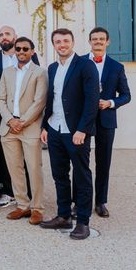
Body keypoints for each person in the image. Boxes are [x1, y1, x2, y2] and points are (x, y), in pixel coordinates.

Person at [40, 28, 99, 240]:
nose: (62, 44)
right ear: (53, 44)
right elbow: (52, 98)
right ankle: (63, 215)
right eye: (58, 41)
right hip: (55, 129)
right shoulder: (53, 67)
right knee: (60, 175)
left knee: (82, 176)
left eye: (66, 40)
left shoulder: (85, 65)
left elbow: (92, 101)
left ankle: (83, 222)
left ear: (72, 42)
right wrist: (45, 126)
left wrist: (82, 129)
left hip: (76, 132)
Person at [0, 25, 40, 208]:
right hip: (1, 116)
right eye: (0, 35)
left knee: (29, 160)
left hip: (27, 117)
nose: (3, 37)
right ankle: (8, 191)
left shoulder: (29, 57)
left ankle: (30, 196)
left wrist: (25, 119)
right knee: (5, 157)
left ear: (15, 36)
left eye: (7, 34)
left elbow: (37, 88)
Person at [0, 37, 48, 225]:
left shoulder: (40, 72)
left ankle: (37, 208)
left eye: (25, 48)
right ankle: (22, 205)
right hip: (9, 128)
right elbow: (0, 98)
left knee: (34, 169)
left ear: (32, 51)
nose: (21, 51)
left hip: (30, 127)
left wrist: (22, 122)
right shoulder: (7, 72)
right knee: (15, 168)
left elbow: (40, 101)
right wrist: (10, 120)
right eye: (18, 48)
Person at [83, 27, 131, 218]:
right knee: (80, 163)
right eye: (94, 39)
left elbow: (126, 95)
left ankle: (101, 201)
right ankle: (79, 202)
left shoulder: (117, 67)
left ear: (107, 42)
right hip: (83, 120)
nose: (98, 42)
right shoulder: (79, 62)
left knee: (103, 163)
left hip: (106, 120)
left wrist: (110, 103)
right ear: (90, 42)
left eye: (102, 39)